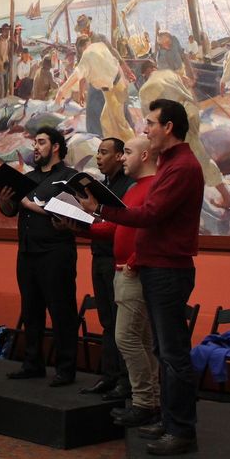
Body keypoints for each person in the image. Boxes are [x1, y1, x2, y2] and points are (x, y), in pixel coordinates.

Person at [92, 99, 203, 456]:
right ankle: (169, 421)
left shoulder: (183, 166)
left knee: (172, 354)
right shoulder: (170, 164)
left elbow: (151, 213)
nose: (146, 130)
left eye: (150, 124)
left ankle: (182, 430)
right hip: (157, 268)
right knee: (162, 350)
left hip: (169, 270)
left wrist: (102, 210)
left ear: (168, 127)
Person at [70, 136, 160, 428]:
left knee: (128, 337)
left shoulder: (150, 187)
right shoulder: (133, 189)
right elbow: (117, 228)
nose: (122, 159)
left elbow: (149, 230)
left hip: (131, 270)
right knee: (131, 336)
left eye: (127, 153)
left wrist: (133, 262)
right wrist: (81, 229)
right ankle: (145, 398)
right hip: (118, 266)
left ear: (144, 155)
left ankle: (144, 399)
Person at [0, 126, 79, 386]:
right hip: (28, 251)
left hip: (56, 252)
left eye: (41, 142)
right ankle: (32, 363)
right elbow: (11, 211)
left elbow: (70, 212)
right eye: (35, 143)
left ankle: (65, 369)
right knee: (31, 310)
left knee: (61, 311)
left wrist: (31, 205)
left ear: (55, 146)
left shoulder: (69, 176)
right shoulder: (28, 178)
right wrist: (4, 201)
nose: (36, 147)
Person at [136, 60, 230, 211]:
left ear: (145, 73)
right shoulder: (170, 74)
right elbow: (188, 92)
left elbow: (150, 117)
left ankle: (221, 198)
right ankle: (224, 196)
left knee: (180, 161)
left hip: (174, 124)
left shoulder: (145, 89)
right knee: (199, 156)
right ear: (154, 67)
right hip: (190, 114)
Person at [79, 137, 134, 400]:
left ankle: (126, 381)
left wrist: (88, 224)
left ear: (120, 156)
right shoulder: (102, 186)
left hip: (117, 260)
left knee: (122, 325)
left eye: (104, 153)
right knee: (107, 322)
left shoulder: (128, 186)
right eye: (97, 153)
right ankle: (109, 376)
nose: (98, 157)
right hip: (98, 257)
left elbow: (121, 224)